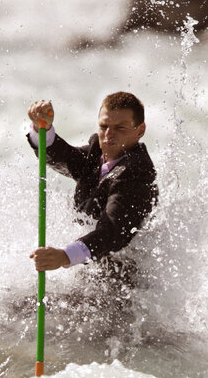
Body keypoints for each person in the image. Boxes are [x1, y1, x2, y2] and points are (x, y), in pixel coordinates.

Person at [24, 92, 158, 284]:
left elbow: (112, 232)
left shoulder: (137, 173)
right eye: (104, 126)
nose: (109, 135)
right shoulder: (97, 153)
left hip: (125, 285)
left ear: (140, 130)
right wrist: (41, 128)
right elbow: (65, 157)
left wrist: (64, 256)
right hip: (92, 272)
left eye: (120, 128)